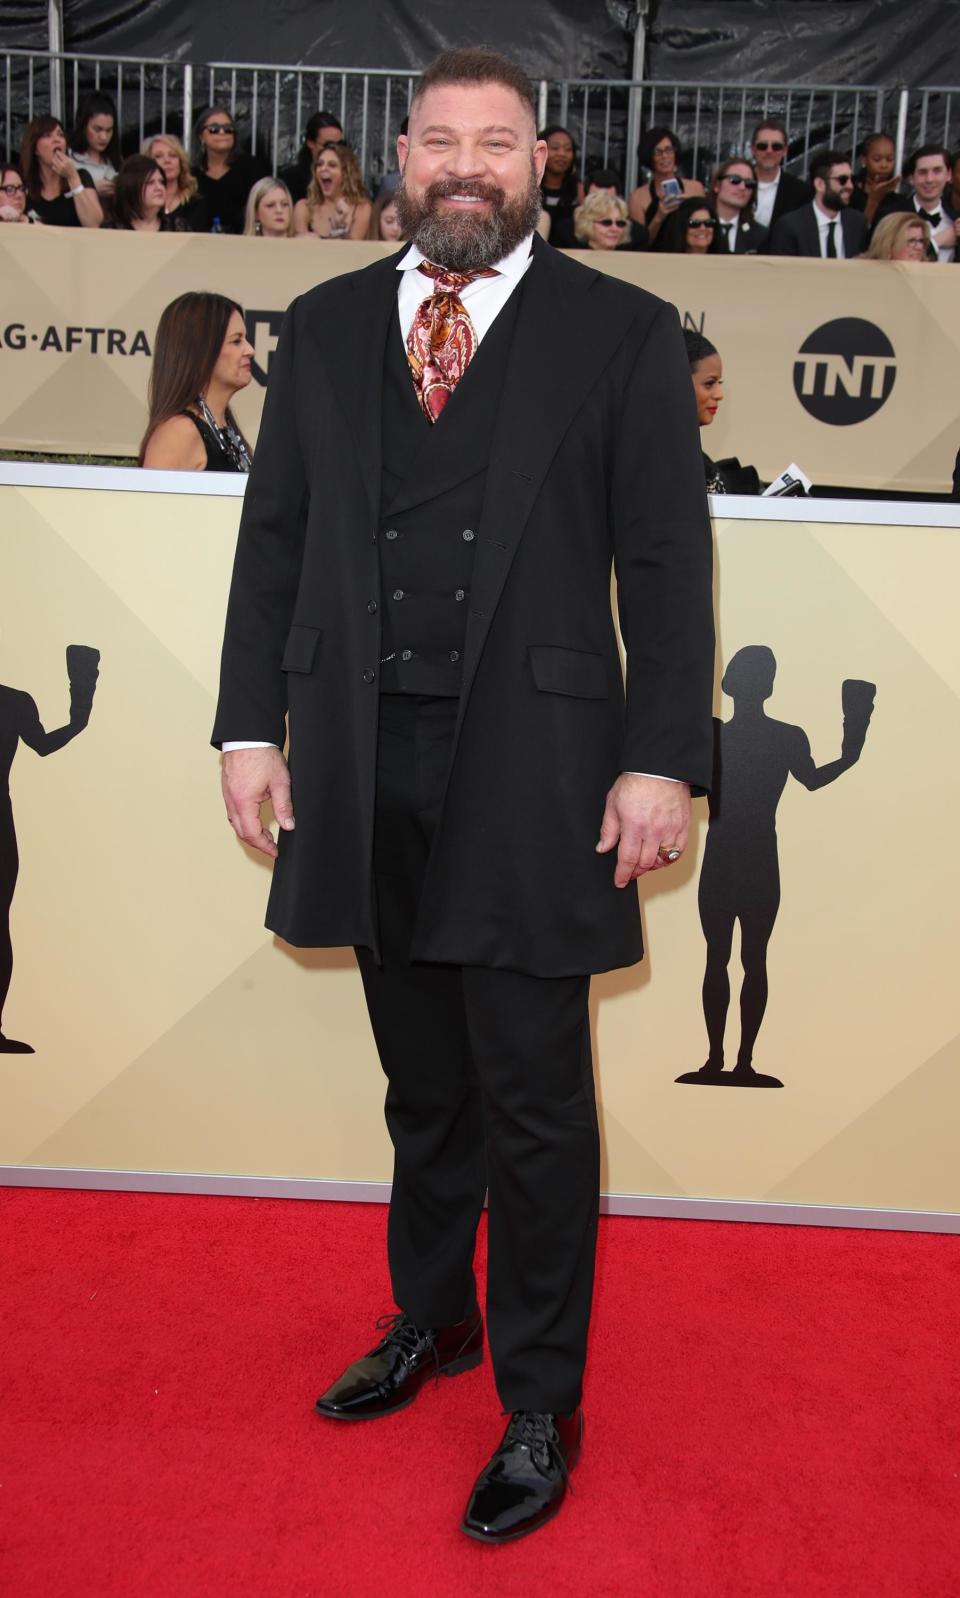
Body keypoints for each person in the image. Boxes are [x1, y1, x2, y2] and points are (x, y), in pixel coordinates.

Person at [214, 46, 713, 1546]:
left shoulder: (623, 335)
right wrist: (250, 729)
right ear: (400, 158)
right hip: (364, 760)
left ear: (540, 163)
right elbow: (274, 547)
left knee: (537, 1102)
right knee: (423, 1080)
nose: (467, 166)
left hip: (543, 769)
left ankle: (542, 1396)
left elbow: (668, 567)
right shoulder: (319, 325)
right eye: (440, 140)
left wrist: (660, 751)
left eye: (497, 142)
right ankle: (436, 1319)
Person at [140, 292, 254, 472]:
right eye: (236, 341)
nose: (250, 350)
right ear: (202, 351)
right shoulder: (178, 433)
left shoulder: (225, 430)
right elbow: (151, 500)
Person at [683, 328, 759, 495]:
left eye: (720, 382)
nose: (719, 395)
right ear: (678, 381)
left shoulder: (697, 458)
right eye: (709, 384)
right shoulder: (659, 460)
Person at [768, 148, 868, 257]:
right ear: (820, 184)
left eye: (851, 179)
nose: (850, 186)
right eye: (842, 180)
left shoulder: (857, 223)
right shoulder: (790, 226)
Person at [871, 144, 958, 263]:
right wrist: (936, 242)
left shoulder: (956, 218)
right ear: (911, 178)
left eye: (937, 171)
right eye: (922, 172)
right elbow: (876, 261)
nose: (929, 179)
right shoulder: (889, 215)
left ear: (948, 175)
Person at [191, 105, 266, 235]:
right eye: (214, 129)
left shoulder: (251, 167)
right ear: (201, 136)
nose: (222, 133)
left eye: (228, 129)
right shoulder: (191, 174)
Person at [628, 125, 704, 247]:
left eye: (669, 149)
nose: (664, 156)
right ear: (649, 156)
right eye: (658, 152)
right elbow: (639, 243)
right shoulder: (638, 197)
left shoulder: (695, 188)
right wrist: (659, 216)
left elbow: (705, 228)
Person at [19, 116, 102, 227]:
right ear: (35, 149)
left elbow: (93, 224)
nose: (56, 139)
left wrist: (73, 178)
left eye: (60, 135)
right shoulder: (23, 184)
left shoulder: (81, 176)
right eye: (47, 135)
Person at [292, 140, 371, 239]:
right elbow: (300, 249)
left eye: (332, 165)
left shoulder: (361, 208)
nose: (323, 168)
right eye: (320, 164)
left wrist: (339, 228)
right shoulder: (304, 207)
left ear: (346, 173)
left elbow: (353, 251)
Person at [749, 119, 811, 232]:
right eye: (762, 146)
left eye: (776, 146)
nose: (769, 151)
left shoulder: (801, 192)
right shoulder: (735, 185)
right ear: (753, 150)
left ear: (785, 150)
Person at [143, 132, 207, 230]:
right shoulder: (139, 204)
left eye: (173, 155)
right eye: (158, 156)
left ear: (181, 162)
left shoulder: (196, 204)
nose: (167, 160)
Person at [279, 111, 344, 205]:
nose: (335, 150)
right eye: (328, 145)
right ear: (310, 143)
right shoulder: (292, 179)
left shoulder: (347, 177)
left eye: (340, 144)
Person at [537, 124, 583, 248]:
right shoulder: (529, 188)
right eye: (555, 148)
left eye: (568, 149)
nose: (562, 154)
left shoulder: (578, 189)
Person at [108, 155, 179, 231]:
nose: (159, 187)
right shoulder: (111, 230)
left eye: (161, 182)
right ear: (132, 187)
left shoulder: (177, 227)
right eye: (150, 182)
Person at [711, 159, 768, 253]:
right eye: (735, 180)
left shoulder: (760, 235)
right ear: (717, 185)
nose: (742, 187)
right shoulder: (698, 227)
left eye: (749, 183)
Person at [68, 92, 121, 193]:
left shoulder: (115, 161)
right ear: (83, 125)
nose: (104, 137)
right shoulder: (69, 160)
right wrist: (91, 190)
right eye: (97, 129)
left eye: (109, 130)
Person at [849, 132, 900, 226]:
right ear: (864, 160)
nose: (884, 165)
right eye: (877, 159)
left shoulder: (898, 201)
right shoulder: (849, 191)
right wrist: (873, 199)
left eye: (889, 159)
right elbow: (856, 234)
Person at [656, 196, 724, 255]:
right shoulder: (663, 261)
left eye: (709, 223)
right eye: (694, 223)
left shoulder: (731, 260)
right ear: (681, 227)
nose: (703, 228)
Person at [862, 212, 933, 262]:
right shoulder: (861, 273)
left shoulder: (931, 277)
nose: (919, 247)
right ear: (888, 244)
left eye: (921, 241)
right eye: (911, 241)